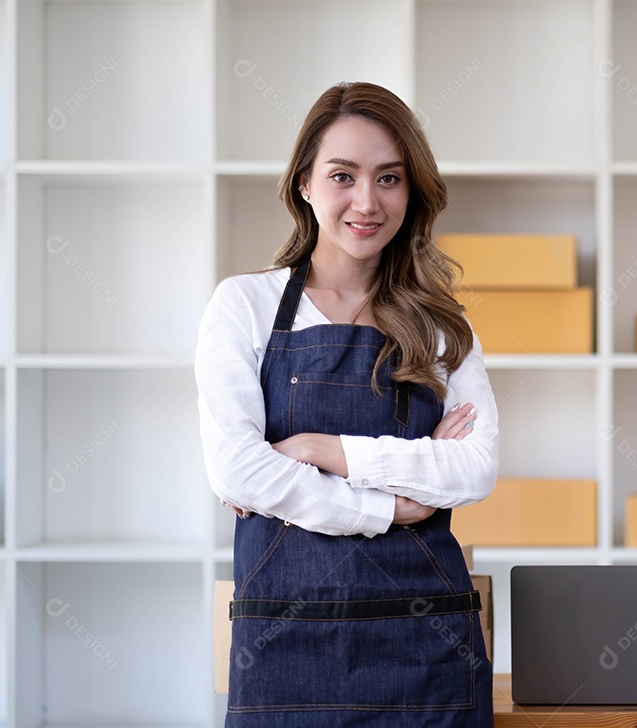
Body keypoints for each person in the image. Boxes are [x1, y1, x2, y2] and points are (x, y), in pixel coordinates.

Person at [194, 81, 498, 726]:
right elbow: (238, 470)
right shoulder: (244, 306)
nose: (367, 201)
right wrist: (390, 506)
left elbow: (473, 469)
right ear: (305, 183)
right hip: (285, 644)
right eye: (343, 176)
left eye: (389, 178)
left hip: (426, 649)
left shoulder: (441, 325)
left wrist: (318, 450)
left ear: (412, 191)